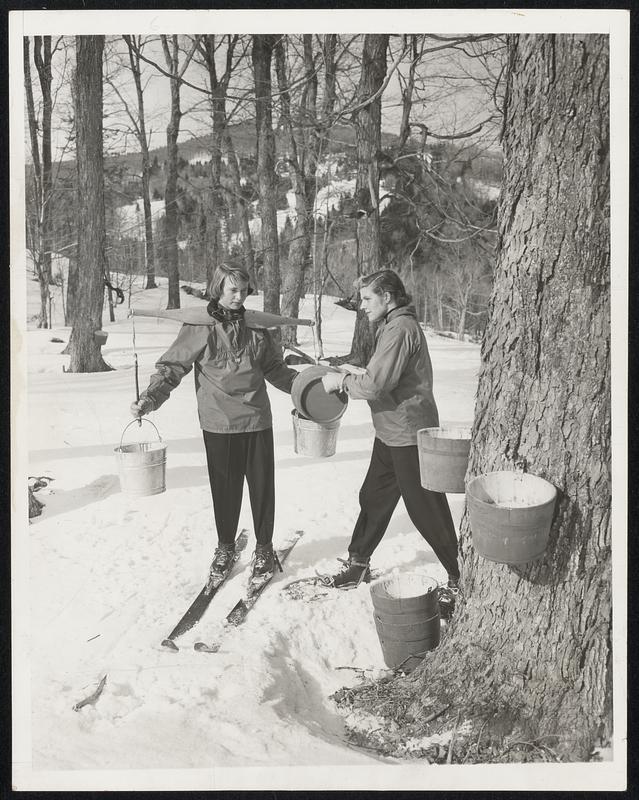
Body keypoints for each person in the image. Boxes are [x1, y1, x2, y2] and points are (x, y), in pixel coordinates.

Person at [130, 263, 299, 590]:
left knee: (263, 487)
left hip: (256, 419)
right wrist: (149, 399)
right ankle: (225, 548)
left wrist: (308, 390)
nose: (239, 296)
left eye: (244, 289)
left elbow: (276, 369)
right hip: (218, 422)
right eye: (232, 289)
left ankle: (264, 549)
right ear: (218, 289)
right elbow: (171, 368)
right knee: (226, 490)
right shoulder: (200, 327)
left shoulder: (257, 328)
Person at [321, 269, 460, 615]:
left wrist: (340, 382)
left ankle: (461, 574)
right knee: (374, 496)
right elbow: (381, 376)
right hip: (391, 431)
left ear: (388, 296)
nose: (362, 305)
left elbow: (375, 386)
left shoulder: (399, 329)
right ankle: (358, 562)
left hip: (409, 435)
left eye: (368, 298)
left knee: (426, 509)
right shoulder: (392, 326)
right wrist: (356, 373)